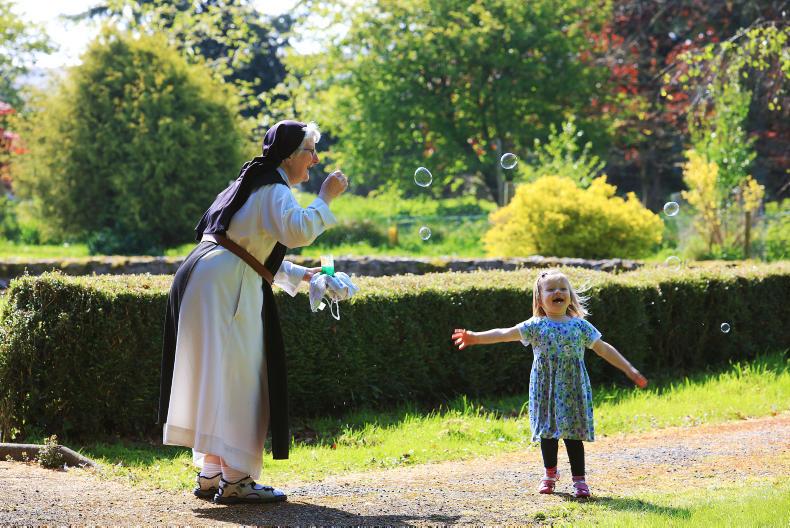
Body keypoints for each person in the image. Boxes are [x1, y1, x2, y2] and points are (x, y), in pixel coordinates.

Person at [158, 120, 348, 504]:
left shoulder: (255, 181)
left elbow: (248, 246)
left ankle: (211, 473)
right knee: (241, 379)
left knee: (217, 375)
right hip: (225, 285)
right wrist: (326, 197)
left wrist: (299, 272)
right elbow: (296, 231)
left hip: (204, 278)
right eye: (310, 150)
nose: (315, 159)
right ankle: (238, 479)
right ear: (291, 155)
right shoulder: (273, 187)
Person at [451, 269, 648, 498]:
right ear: (540, 299)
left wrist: (629, 369)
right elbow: (505, 333)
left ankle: (579, 480)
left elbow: (604, 348)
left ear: (570, 297)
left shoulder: (580, 326)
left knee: (573, 434)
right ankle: (549, 474)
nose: (558, 292)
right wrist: (475, 337)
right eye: (551, 289)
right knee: (548, 432)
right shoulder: (536, 325)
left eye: (563, 289)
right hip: (545, 388)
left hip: (572, 387)